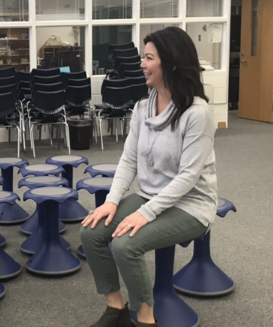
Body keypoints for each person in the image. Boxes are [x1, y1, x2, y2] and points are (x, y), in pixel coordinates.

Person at [80, 26, 218, 327]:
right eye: (144, 57)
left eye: (149, 57)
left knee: (125, 245)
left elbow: (187, 178)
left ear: (171, 62)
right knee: (92, 232)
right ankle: (116, 310)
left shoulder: (198, 113)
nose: (142, 63)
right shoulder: (143, 107)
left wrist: (144, 214)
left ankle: (145, 319)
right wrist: (112, 202)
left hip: (191, 204)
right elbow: (129, 159)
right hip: (149, 196)